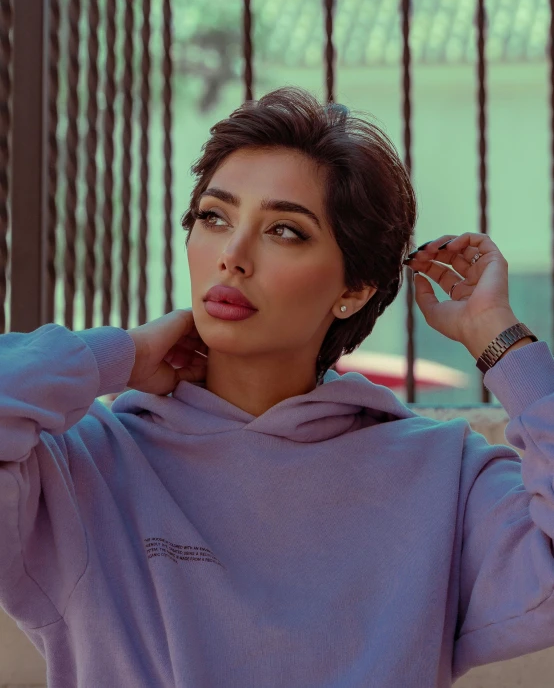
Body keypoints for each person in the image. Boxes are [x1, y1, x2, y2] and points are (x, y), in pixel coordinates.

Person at [0, 86, 549, 688]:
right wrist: (117, 355)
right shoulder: (82, 466)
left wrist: (501, 340)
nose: (231, 256)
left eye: (284, 230)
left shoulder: (445, 477)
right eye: (215, 217)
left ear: (355, 288)